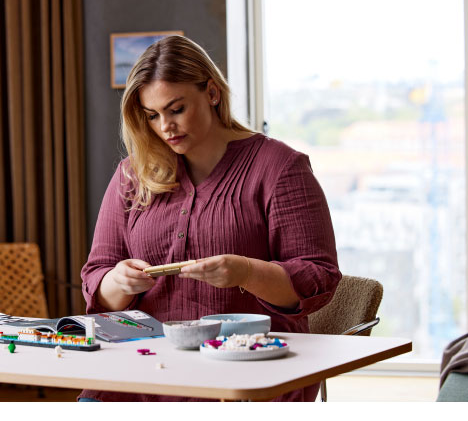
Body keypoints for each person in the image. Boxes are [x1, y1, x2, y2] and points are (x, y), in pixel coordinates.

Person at [79, 35, 341, 402]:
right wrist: (118, 282)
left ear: (213, 93)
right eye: (152, 115)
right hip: (144, 371)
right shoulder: (131, 175)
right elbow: (97, 282)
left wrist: (246, 273)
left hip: (247, 372)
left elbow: (319, 279)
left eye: (176, 109)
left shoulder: (280, 168)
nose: (165, 126)